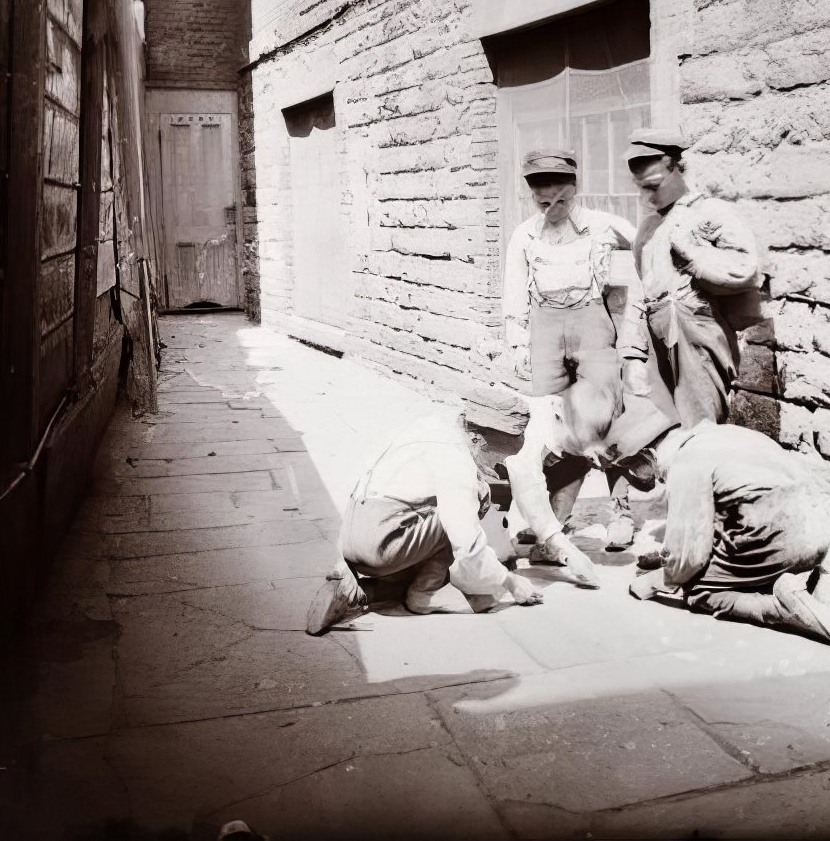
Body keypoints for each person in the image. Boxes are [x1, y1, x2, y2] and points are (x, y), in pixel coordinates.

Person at [596, 395, 830, 648]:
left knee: (697, 590)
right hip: (817, 536)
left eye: (631, 466)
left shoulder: (685, 466)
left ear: (648, 454)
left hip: (782, 544)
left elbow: (691, 560)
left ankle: (781, 608)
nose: (632, 474)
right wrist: (668, 556)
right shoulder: (724, 434)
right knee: (722, 552)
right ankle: (798, 577)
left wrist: (652, 583)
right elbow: (721, 517)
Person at [501, 147, 640, 553]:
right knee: (552, 424)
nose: (553, 208)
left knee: (603, 417)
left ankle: (620, 511)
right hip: (545, 327)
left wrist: (641, 300)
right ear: (532, 197)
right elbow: (514, 290)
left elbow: (646, 243)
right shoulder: (525, 234)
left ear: (574, 191)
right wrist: (516, 340)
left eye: (561, 200)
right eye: (544, 202)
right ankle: (555, 519)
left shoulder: (600, 225)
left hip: (591, 320)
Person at [305, 412, 545, 635]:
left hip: (352, 536)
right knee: (471, 507)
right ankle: (423, 594)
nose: (500, 466)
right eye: (499, 456)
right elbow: (467, 544)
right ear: (476, 439)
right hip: (382, 542)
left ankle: (355, 591)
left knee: (436, 512)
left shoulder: (433, 426)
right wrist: (511, 582)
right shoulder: (457, 462)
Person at [618, 129, 764, 428]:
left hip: (696, 328)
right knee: (656, 431)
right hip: (653, 333)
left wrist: (693, 255)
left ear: (674, 165)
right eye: (642, 185)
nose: (648, 193)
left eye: (655, 182)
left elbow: (745, 268)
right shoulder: (647, 228)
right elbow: (638, 290)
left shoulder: (710, 212)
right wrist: (632, 353)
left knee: (700, 427)